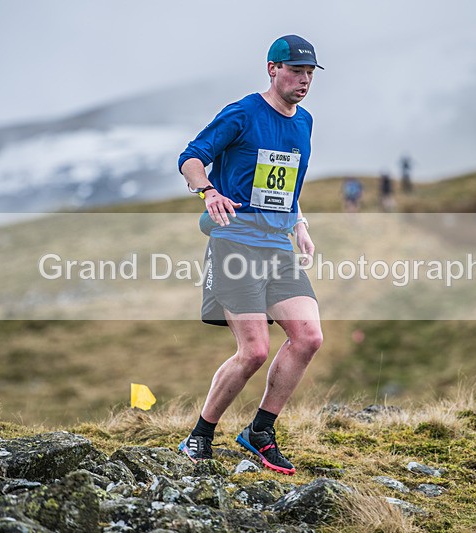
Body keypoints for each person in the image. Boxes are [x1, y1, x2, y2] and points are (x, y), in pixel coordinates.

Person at [176, 35, 324, 475]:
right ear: (272, 69)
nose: (303, 80)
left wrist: (300, 226)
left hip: (278, 245)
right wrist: (207, 190)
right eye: (296, 71)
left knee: (309, 337)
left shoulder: (305, 122)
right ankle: (200, 435)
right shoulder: (242, 113)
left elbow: (287, 187)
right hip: (235, 243)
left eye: (310, 73)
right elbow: (190, 158)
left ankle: (260, 431)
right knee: (255, 351)